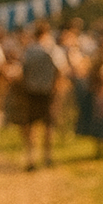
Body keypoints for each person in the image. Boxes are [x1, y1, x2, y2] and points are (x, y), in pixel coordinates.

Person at [17, 22, 67, 171]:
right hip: (49, 91)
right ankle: (47, 157)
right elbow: (61, 70)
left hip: (31, 90)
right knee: (48, 125)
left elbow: (23, 71)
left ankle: (31, 158)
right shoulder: (53, 50)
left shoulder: (29, 50)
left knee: (31, 125)